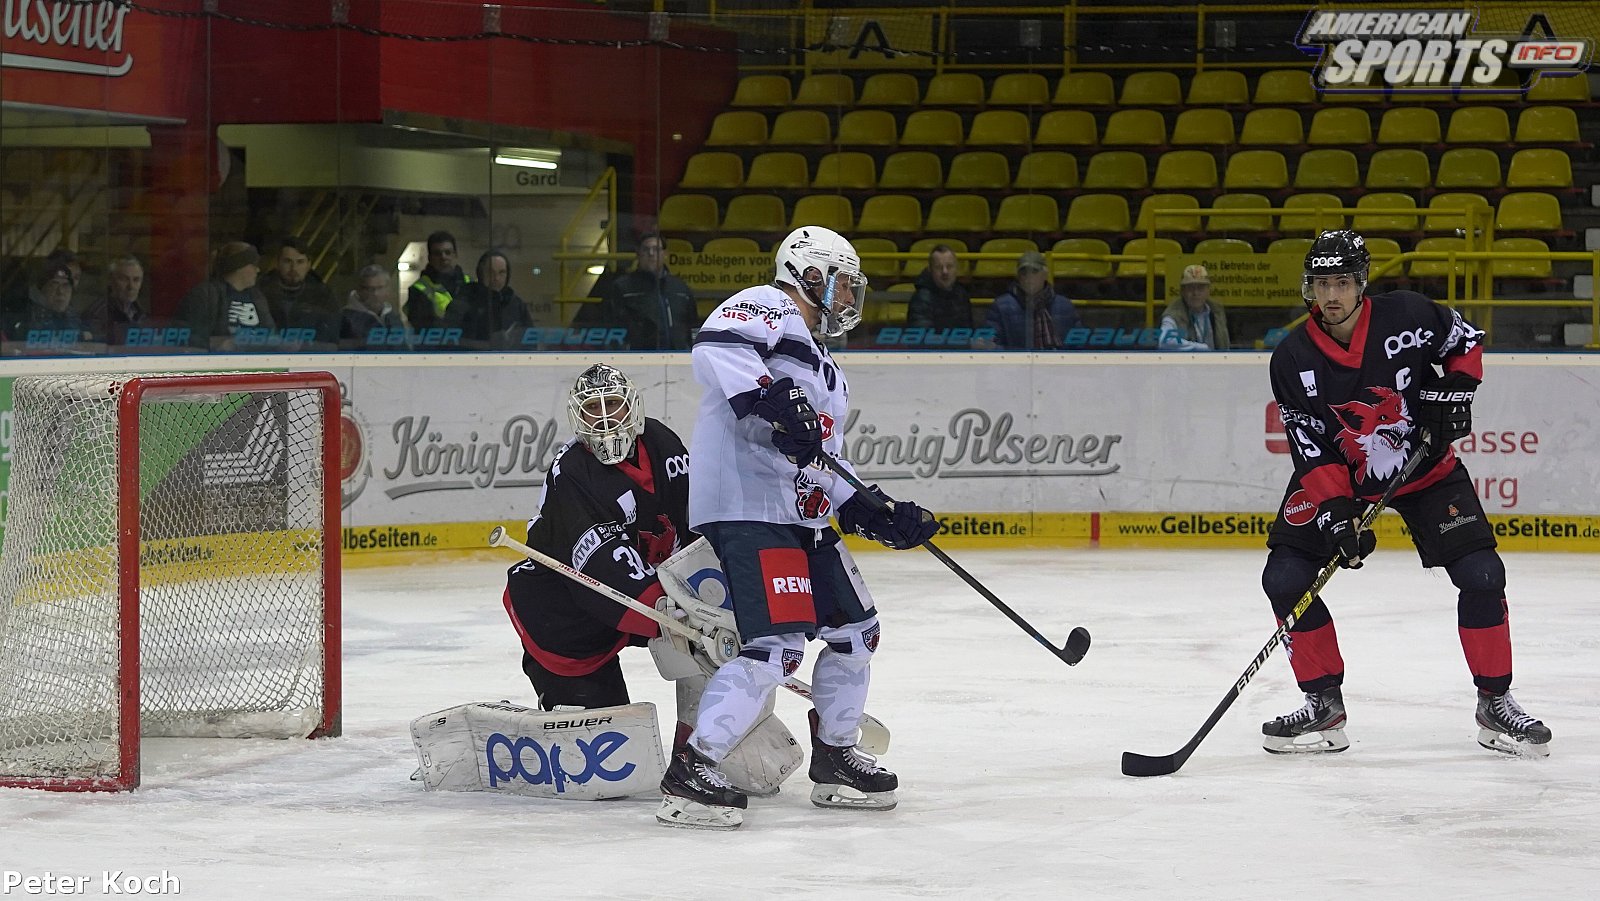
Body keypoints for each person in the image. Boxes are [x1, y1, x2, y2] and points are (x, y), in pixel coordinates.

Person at [659, 225, 940, 829]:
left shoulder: (828, 369)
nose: (851, 297)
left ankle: (835, 758)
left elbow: (822, 458)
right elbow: (715, 348)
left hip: (800, 515)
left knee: (857, 634)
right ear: (811, 275)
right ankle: (693, 768)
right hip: (749, 506)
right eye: (844, 284)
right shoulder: (769, 304)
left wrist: (869, 506)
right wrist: (770, 396)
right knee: (775, 648)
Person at [1260, 229, 1551, 758]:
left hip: (1426, 468)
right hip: (1344, 479)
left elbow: (1465, 341)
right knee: (1284, 578)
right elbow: (1311, 450)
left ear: (1361, 283)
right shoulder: (1291, 358)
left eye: (1342, 282)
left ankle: (1495, 702)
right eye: (1322, 284)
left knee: (1483, 575)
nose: (1331, 295)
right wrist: (1337, 515)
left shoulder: (1409, 315)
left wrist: (1456, 389)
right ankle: (1323, 704)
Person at [502, 363, 694, 711]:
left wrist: (707, 593)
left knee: (709, 651)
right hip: (567, 616)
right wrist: (666, 608)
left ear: (632, 405)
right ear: (578, 415)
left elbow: (693, 520)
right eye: (592, 407)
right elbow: (602, 565)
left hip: (643, 592)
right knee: (603, 726)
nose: (604, 417)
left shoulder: (662, 442)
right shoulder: (573, 470)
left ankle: (697, 740)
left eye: (614, 403)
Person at [597, 233, 697, 349]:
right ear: (638, 253)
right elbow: (609, 327)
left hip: (678, 355)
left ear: (665, 254)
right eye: (646, 249)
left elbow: (692, 325)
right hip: (637, 355)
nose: (651, 253)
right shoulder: (622, 288)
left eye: (656, 249)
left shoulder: (680, 288)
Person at [178, 241, 275, 351]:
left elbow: (271, 335)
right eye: (254, 265)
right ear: (239, 266)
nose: (258, 270)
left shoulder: (258, 297)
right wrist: (217, 344)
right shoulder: (205, 294)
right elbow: (187, 335)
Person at [983, 250, 1082, 349]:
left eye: (1034, 271)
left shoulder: (1065, 306)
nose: (1029, 277)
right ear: (1018, 277)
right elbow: (993, 345)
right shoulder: (1001, 306)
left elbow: (1079, 344)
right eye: (1024, 273)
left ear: (1045, 274)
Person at [258, 237, 339, 345]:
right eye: (287, 261)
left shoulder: (323, 295)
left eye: (300, 262)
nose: (293, 268)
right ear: (277, 263)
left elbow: (332, 337)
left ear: (308, 265)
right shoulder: (259, 292)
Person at [449, 249, 531, 348]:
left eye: (502, 272)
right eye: (490, 272)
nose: (496, 278)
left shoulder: (516, 304)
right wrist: (486, 345)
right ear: (480, 273)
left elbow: (530, 342)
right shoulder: (463, 301)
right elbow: (448, 340)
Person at [3, 260, 93, 350]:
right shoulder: (23, 317)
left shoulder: (75, 318)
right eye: (54, 285)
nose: (60, 292)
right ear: (42, 291)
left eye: (66, 286)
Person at [405, 230, 472, 331]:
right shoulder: (419, 289)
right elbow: (422, 326)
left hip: (471, 340)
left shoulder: (470, 283)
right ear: (430, 258)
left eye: (448, 252)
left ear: (455, 255)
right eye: (437, 253)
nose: (443, 257)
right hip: (439, 340)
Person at [1159, 264, 1231, 351]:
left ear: (1208, 290)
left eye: (1200, 288)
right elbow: (1164, 341)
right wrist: (1199, 348)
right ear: (1182, 291)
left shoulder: (1217, 310)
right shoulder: (1173, 313)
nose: (1195, 293)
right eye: (1190, 288)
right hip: (1187, 359)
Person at [905, 244, 973, 332]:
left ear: (956, 268)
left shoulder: (961, 294)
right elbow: (922, 335)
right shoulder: (921, 299)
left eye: (949, 266)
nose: (945, 271)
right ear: (930, 270)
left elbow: (968, 329)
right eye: (939, 267)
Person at [340, 265, 409, 350]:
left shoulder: (393, 317)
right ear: (359, 290)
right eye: (370, 289)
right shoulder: (345, 319)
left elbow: (403, 348)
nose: (375, 294)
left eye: (380, 288)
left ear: (388, 289)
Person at [82, 255, 147, 345]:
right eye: (124, 279)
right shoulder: (98, 313)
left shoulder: (139, 312)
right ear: (110, 280)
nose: (131, 286)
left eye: (136, 280)